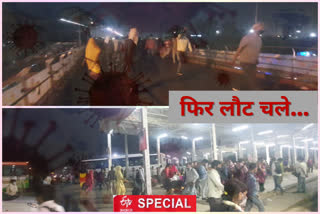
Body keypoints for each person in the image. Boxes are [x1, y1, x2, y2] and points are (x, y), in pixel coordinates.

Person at [231, 23, 264, 90]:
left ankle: (238, 88)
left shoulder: (259, 39)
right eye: (260, 28)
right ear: (255, 29)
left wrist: (257, 59)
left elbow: (257, 51)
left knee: (249, 77)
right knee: (250, 77)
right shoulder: (247, 37)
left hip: (253, 62)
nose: (262, 29)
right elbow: (239, 49)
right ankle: (251, 90)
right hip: (245, 61)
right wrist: (234, 59)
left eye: (262, 28)